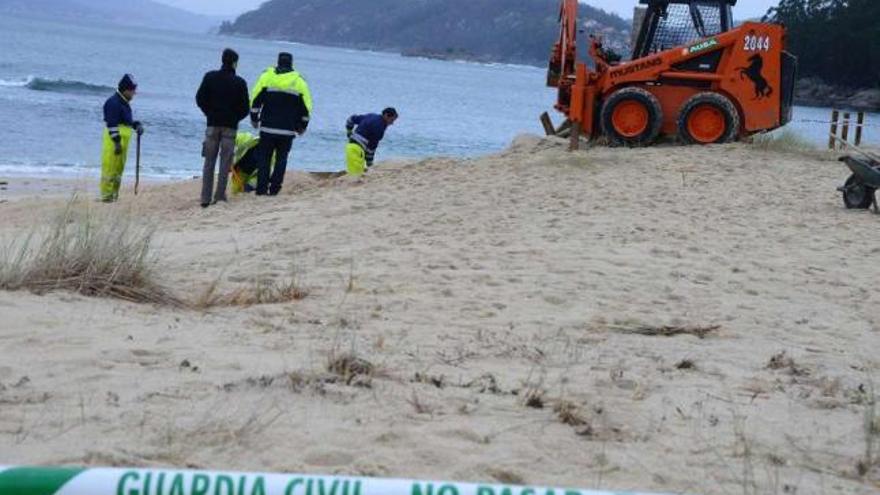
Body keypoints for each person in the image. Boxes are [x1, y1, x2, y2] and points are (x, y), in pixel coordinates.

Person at [249, 52, 313, 196]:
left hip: (267, 127)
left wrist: (254, 118)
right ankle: (275, 189)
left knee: (264, 159)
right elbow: (306, 108)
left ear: (277, 62)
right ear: (291, 64)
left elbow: (255, 100)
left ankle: (261, 189)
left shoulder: (267, 77)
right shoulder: (299, 82)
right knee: (281, 159)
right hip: (287, 130)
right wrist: (302, 127)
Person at [196, 48, 250, 208]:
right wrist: (235, 118)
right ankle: (219, 196)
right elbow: (245, 108)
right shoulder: (240, 83)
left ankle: (205, 198)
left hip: (212, 124)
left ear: (222, 60)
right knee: (225, 163)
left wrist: (209, 113)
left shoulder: (210, 77)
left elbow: (200, 99)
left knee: (209, 162)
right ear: (235, 63)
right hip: (230, 127)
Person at [100, 74, 143, 202]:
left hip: (123, 140)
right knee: (110, 168)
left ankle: (114, 195)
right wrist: (117, 142)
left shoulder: (124, 103)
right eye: (132, 90)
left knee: (118, 169)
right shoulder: (113, 103)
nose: (134, 93)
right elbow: (112, 124)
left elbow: (126, 122)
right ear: (125, 90)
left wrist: (136, 125)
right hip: (114, 141)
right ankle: (106, 196)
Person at [345, 107, 398, 176]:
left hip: (350, 146)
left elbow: (351, 119)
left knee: (352, 172)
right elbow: (371, 148)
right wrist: (370, 165)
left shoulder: (370, 116)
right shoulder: (380, 128)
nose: (392, 123)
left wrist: (349, 131)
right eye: (392, 120)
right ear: (386, 115)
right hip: (358, 150)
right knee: (356, 175)